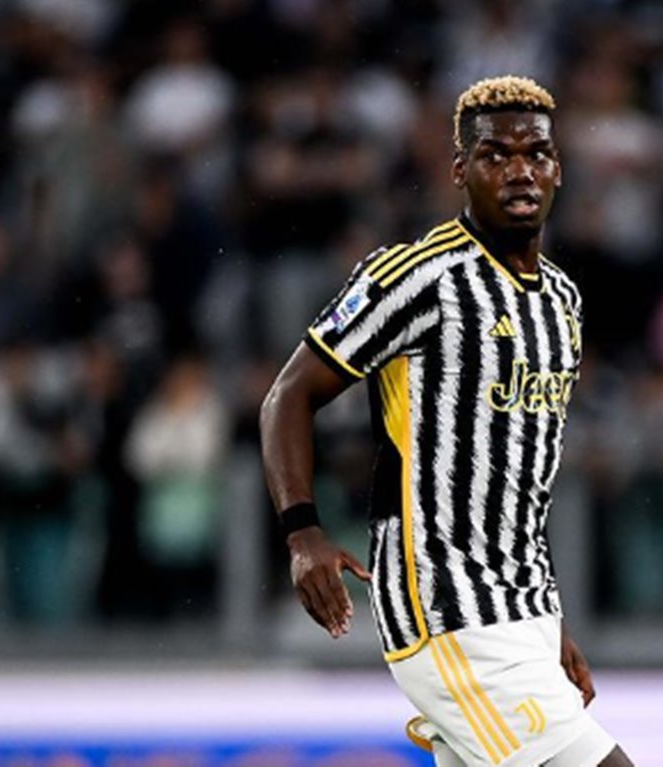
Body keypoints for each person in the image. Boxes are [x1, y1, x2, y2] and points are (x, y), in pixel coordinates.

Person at [260, 76, 633, 767]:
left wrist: (547, 622)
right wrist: (302, 532)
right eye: (495, 155)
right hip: (447, 608)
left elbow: (520, 475)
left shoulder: (562, 299)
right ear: (460, 170)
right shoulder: (418, 277)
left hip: (521, 610)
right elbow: (288, 395)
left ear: (558, 168)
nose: (519, 170)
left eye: (536, 153)